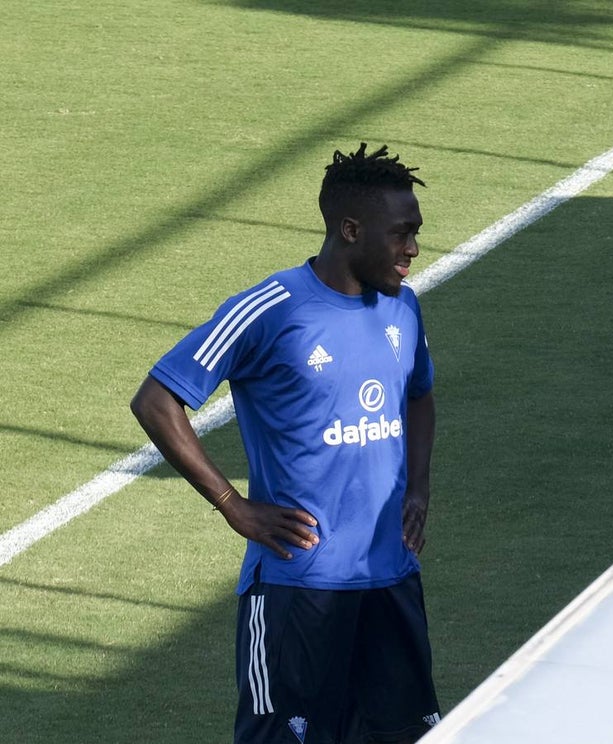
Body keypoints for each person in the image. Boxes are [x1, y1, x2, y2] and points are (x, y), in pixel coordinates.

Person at [131, 143, 441, 743]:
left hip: (391, 578)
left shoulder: (403, 308)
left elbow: (420, 394)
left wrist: (419, 487)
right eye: (401, 234)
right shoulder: (269, 309)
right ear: (350, 230)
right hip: (297, 587)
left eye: (416, 232)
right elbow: (156, 400)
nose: (413, 248)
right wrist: (232, 504)